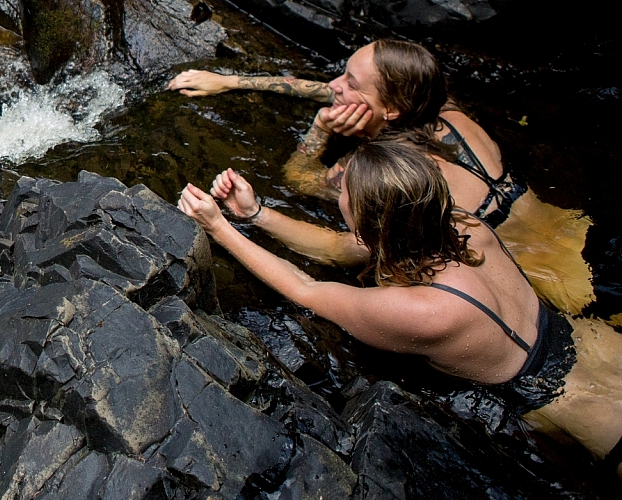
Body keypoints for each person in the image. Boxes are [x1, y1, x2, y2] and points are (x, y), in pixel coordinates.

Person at [177, 141, 622, 477]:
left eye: (344, 192)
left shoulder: (425, 312)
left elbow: (306, 287)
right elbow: (340, 246)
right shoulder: (464, 224)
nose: (338, 193)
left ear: (370, 222)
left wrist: (217, 227)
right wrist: (255, 214)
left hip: (577, 411)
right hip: (595, 343)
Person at [166, 40, 594, 313]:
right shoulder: (446, 110)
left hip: (546, 281)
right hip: (571, 236)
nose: (334, 84)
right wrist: (229, 81)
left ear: (390, 110)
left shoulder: (383, 174)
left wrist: (320, 129)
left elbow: (304, 189)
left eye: (350, 81)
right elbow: (327, 89)